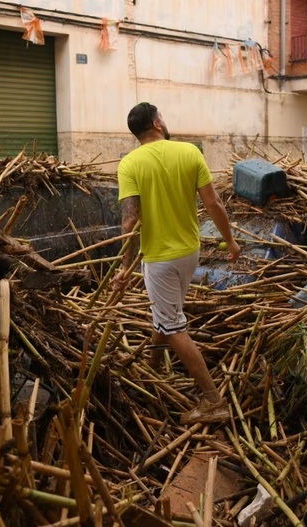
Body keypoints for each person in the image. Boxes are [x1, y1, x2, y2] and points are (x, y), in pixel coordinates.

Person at [113, 102, 241, 425]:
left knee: (173, 327)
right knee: (165, 315)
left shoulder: (129, 165)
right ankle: (153, 371)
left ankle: (213, 401)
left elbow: (129, 223)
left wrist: (123, 267)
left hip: (159, 260)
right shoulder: (189, 153)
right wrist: (231, 241)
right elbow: (213, 203)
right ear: (157, 123)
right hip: (189, 254)